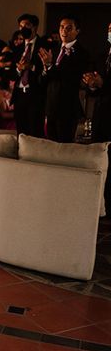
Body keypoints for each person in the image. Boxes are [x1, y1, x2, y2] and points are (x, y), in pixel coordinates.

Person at [40, 15, 91, 142]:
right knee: (49, 145)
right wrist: (45, 69)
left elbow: (71, 78)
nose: (64, 31)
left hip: (67, 108)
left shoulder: (82, 53)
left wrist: (50, 66)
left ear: (77, 31)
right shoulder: (54, 50)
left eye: (69, 28)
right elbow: (43, 81)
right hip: (50, 107)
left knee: (64, 147)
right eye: (62, 27)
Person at [83, 21, 111, 213]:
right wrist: (92, 84)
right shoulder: (103, 56)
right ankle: (99, 202)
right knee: (99, 158)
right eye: (109, 30)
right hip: (101, 114)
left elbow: (106, 84)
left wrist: (104, 83)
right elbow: (95, 89)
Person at [12, 13, 46, 137]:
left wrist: (30, 67)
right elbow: (12, 73)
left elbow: (46, 70)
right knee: (21, 131)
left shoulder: (44, 45)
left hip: (36, 94)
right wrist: (18, 70)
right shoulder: (17, 48)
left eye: (27, 25)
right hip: (19, 93)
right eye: (21, 26)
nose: (23, 29)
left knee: (35, 131)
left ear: (35, 27)